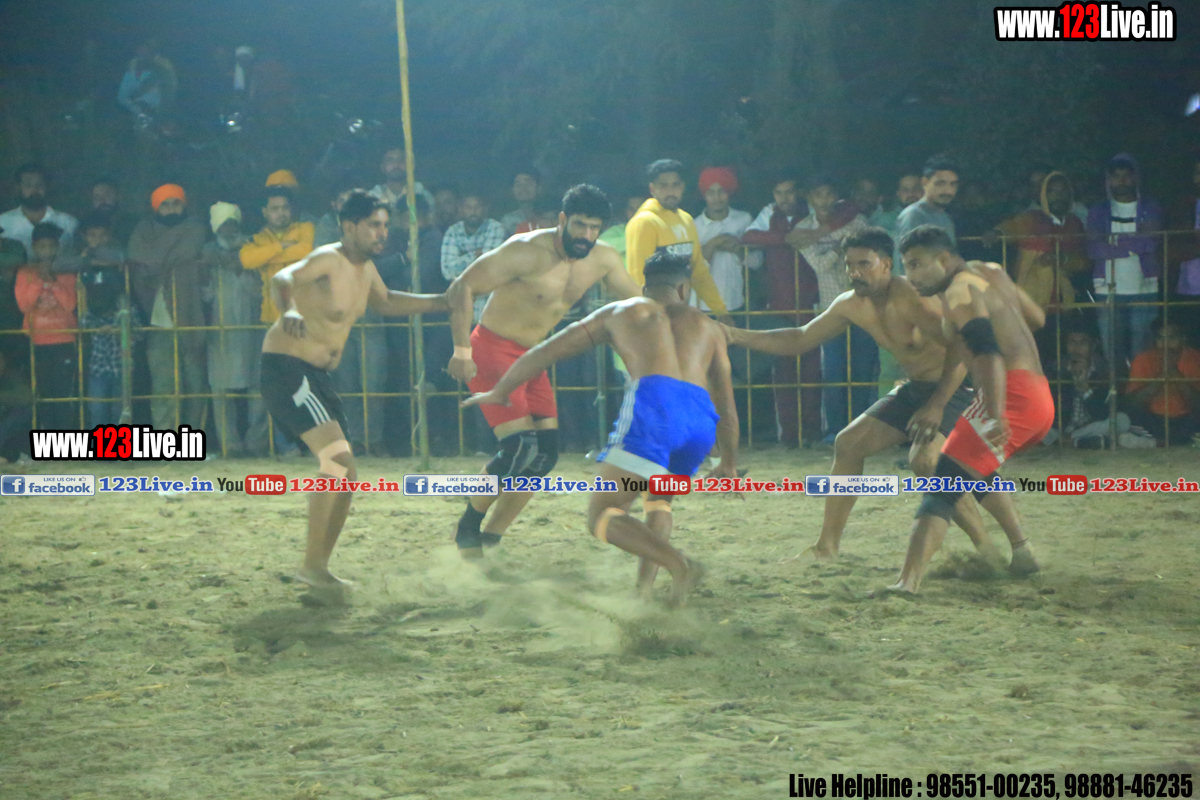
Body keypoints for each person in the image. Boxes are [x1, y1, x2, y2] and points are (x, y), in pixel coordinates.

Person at [464, 249, 733, 604]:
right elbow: (726, 402)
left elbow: (544, 352)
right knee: (658, 503)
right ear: (683, 290)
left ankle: (679, 565)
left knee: (603, 515)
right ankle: (643, 594)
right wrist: (729, 461)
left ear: (644, 286)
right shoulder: (709, 326)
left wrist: (501, 389)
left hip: (656, 409)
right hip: (700, 420)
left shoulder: (623, 311)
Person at [723, 227, 997, 562]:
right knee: (848, 443)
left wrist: (938, 404)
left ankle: (986, 549)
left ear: (886, 264)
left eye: (864, 264)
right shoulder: (850, 304)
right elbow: (799, 338)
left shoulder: (913, 298)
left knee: (925, 461)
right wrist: (735, 335)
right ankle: (826, 547)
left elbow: (962, 346)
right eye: (849, 265)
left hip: (955, 389)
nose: (854, 272)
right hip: (916, 388)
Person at [260, 191, 447, 595]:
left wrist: (441, 302)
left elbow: (388, 301)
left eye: (385, 225)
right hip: (287, 367)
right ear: (350, 227)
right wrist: (288, 309)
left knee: (347, 473)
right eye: (374, 225)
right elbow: (282, 278)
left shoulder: (367, 269)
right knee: (337, 460)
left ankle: (318, 567)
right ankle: (311, 567)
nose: (383, 233)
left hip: (315, 375)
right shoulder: (328, 258)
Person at [445, 184, 642, 557]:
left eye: (594, 228)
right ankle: (467, 529)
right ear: (563, 220)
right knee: (519, 447)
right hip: (492, 348)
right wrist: (461, 350)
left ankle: (492, 537)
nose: (586, 235)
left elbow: (638, 302)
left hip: (533, 356)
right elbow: (462, 286)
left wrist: (674, 318)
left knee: (544, 455)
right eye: (580, 225)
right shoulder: (525, 250)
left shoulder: (603, 258)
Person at [890, 225, 1055, 593]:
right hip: (1036, 393)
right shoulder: (989, 271)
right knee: (969, 468)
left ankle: (907, 582)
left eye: (916, 265)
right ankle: (1022, 551)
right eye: (906, 266)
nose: (910, 276)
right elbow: (1036, 319)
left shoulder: (959, 293)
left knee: (942, 483)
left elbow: (987, 353)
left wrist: (994, 412)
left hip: (1011, 396)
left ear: (943, 259)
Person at [790, 177, 876, 441]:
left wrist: (839, 250)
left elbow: (869, 256)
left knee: (863, 370)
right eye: (818, 194)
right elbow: (820, 266)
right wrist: (842, 249)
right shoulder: (803, 228)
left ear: (836, 196)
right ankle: (836, 430)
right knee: (834, 371)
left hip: (863, 302)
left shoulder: (856, 221)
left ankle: (861, 429)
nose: (824, 200)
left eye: (829, 194)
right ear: (810, 198)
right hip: (830, 307)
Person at [742, 175, 820, 444]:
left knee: (813, 373)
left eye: (789, 192)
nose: (784, 198)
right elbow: (748, 237)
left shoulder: (812, 211)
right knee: (783, 374)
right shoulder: (769, 213)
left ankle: (813, 433)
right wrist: (786, 238)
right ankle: (788, 435)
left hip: (813, 305)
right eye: (779, 192)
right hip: (779, 307)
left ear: (799, 192)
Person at [128, 184, 209, 433]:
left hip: (192, 318)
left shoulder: (195, 228)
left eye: (177, 203)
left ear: (185, 206)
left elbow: (175, 253)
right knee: (164, 388)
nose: (172, 209)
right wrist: (166, 259)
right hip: (158, 321)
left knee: (196, 387)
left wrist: (156, 258)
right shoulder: (142, 231)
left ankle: (193, 440)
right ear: (155, 208)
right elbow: (138, 254)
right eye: (165, 204)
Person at [1086, 154, 1164, 372]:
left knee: (1143, 354)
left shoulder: (1150, 206)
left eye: (1126, 175)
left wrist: (1113, 243)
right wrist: (1133, 242)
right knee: (1112, 353)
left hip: (1145, 288)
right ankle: (1116, 392)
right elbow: (1094, 249)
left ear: (1135, 178)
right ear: (1108, 180)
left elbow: (1151, 242)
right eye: (1116, 176)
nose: (1121, 181)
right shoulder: (1098, 211)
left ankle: (1139, 392)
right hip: (1107, 290)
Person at [624, 160, 730, 320]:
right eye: (664, 185)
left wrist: (720, 311)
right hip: (654, 318)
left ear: (683, 187)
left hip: (680, 315)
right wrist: (646, 319)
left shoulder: (686, 220)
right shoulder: (644, 222)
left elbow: (698, 271)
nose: (670, 191)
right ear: (652, 189)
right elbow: (638, 276)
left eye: (675, 185)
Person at [203, 202, 265, 456]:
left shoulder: (254, 251)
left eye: (232, 225)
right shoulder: (207, 255)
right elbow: (204, 294)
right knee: (220, 389)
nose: (228, 230)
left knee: (258, 386)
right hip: (220, 331)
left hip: (253, 329)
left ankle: (257, 443)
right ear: (215, 228)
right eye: (223, 226)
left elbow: (261, 289)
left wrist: (241, 264)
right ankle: (230, 445)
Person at [15, 223, 78, 430]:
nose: (47, 251)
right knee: (42, 394)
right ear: (34, 248)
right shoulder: (25, 273)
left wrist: (53, 280)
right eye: (42, 247)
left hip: (64, 340)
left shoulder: (66, 273)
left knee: (63, 394)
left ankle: (64, 441)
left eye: (51, 246)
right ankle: (45, 439)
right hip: (36, 341)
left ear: (58, 247)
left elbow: (70, 305)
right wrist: (38, 281)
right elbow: (24, 306)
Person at [1044, 326, 1150, 449]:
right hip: (1060, 428)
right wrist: (1068, 378)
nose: (1077, 348)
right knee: (1037, 421)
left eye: (1083, 342)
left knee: (1122, 420)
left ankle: (1068, 440)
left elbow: (1103, 413)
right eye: (1072, 342)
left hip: (1091, 427)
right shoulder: (1055, 369)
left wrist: (1085, 389)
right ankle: (1078, 441)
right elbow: (1053, 410)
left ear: (1093, 345)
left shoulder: (1105, 370)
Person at [240, 184, 316, 325]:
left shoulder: (305, 228)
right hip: (272, 317)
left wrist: (265, 257)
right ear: (265, 212)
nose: (281, 213)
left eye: (285, 208)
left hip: (305, 314)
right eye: (275, 209)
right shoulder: (258, 238)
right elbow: (246, 260)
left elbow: (306, 250)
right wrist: (280, 246)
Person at [1124, 318, 1200, 447]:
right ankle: (1178, 442)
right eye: (1161, 338)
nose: (1166, 344)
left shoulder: (1195, 359)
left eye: (1172, 338)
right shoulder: (1143, 359)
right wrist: (1162, 376)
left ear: (1183, 339)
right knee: (1128, 417)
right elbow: (1133, 403)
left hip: (1186, 419)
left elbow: (1197, 404)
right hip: (1153, 420)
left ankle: (1159, 443)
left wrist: (1174, 373)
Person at [692, 167, 758, 313]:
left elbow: (757, 262)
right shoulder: (694, 226)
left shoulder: (743, 219)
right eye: (711, 193)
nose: (717, 198)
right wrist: (715, 243)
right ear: (704, 195)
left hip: (735, 301)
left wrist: (739, 250)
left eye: (721, 191)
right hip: (702, 305)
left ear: (729, 192)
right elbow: (692, 268)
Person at [441, 193, 506, 324]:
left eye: (477, 207)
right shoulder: (453, 231)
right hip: (461, 306)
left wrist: (462, 257)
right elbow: (448, 271)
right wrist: (475, 254)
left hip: (490, 305)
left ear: (485, 208)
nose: (473, 211)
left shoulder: (495, 228)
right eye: (468, 207)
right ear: (460, 209)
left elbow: (489, 266)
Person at [894, 155, 958, 276]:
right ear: (924, 182)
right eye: (940, 184)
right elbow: (906, 265)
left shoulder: (946, 218)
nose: (948, 190)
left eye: (953, 184)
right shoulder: (913, 215)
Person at [0, 163, 79, 254]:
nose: (34, 190)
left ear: (47, 186)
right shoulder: (3, 223)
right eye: (28, 185)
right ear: (18, 188)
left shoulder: (68, 223)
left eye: (39, 184)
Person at [369, 148, 436, 217]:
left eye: (401, 160)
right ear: (382, 167)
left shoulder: (422, 194)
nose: (396, 165)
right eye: (390, 160)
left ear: (410, 165)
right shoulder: (373, 197)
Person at [499, 169, 542, 237]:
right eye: (518, 185)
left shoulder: (551, 217)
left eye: (528, 184)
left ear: (539, 187)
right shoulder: (508, 221)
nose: (523, 188)